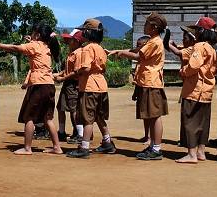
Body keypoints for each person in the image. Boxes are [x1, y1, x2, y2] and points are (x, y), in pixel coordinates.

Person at [0, 23, 62, 155]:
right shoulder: (47, 46)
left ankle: (27, 148)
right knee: (48, 119)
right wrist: (32, 41)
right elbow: (36, 52)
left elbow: (14, 47)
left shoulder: (35, 45)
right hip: (49, 85)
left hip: (38, 85)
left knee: (29, 117)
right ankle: (57, 147)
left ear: (38, 35)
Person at [109, 12, 169, 160]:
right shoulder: (152, 41)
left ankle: (156, 149)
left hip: (151, 82)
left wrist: (122, 53)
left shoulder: (155, 42)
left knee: (154, 116)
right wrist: (118, 51)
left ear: (154, 27)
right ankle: (153, 146)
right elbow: (138, 51)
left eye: (147, 23)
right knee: (151, 116)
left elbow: (138, 56)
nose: (144, 26)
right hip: (148, 82)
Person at [67, 18, 114, 158]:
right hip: (101, 86)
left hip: (89, 86)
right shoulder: (101, 49)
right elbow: (103, 69)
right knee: (99, 116)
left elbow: (86, 68)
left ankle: (84, 147)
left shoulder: (87, 48)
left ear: (88, 32)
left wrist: (77, 73)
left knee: (87, 118)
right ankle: (107, 142)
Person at [173, 17, 217, 164]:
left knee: (190, 121)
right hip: (207, 91)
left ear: (202, 31)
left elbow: (193, 65)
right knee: (203, 123)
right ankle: (201, 152)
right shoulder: (211, 48)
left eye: (197, 30)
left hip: (194, 90)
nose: (195, 33)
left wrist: (183, 71)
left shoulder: (199, 46)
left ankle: (191, 154)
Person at [55, 29, 85, 144]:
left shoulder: (79, 53)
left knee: (74, 109)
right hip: (68, 84)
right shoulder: (71, 53)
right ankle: (61, 132)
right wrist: (59, 74)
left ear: (77, 41)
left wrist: (62, 78)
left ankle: (80, 134)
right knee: (61, 107)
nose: (68, 42)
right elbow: (68, 70)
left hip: (73, 84)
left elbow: (76, 72)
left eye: (70, 40)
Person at [131, 35, 152, 146]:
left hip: (147, 88)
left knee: (149, 114)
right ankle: (146, 135)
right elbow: (137, 79)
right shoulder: (139, 63)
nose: (137, 48)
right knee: (144, 115)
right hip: (140, 89)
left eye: (139, 46)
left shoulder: (148, 61)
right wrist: (135, 93)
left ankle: (150, 137)